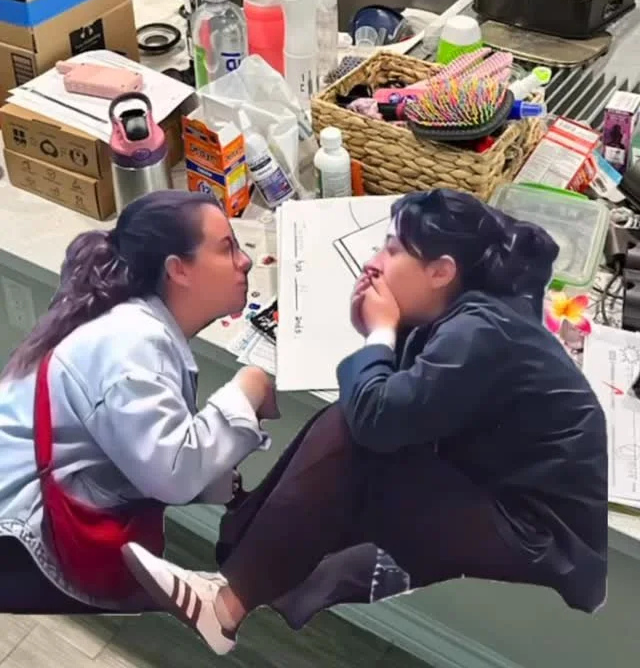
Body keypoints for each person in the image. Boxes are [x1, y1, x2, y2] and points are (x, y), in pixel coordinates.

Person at [121, 188, 609, 656]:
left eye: (393, 250)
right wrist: (382, 334)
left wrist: (379, 333)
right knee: (351, 422)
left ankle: (225, 605)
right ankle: (236, 565)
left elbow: (379, 418)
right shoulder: (468, 308)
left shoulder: (483, 330)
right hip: (496, 486)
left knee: (353, 431)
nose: (374, 262)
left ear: (441, 270)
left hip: (542, 535)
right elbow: (403, 400)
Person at [0, 189, 277, 614]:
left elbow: (141, 450)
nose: (245, 261)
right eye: (227, 248)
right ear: (178, 269)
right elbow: (172, 474)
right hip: (15, 533)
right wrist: (249, 387)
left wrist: (216, 480)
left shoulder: (136, 328)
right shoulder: (129, 344)